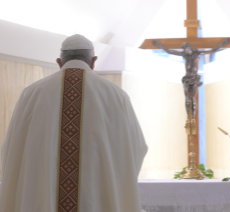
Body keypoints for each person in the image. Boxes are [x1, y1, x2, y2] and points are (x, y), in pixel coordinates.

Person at [0, 34, 148, 212]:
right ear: (93, 61)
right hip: (97, 200)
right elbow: (137, 148)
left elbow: (11, 148)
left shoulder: (32, 93)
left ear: (59, 61)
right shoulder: (116, 94)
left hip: (42, 199)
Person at [153, 39, 230, 120]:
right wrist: (159, 45)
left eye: (187, 49)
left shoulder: (198, 53)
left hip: (194, 78)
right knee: (187, 97)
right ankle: (188, 117)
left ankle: (192, 117)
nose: (186, 51)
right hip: (187, 78)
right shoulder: (184, 55)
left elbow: (212, 51)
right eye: (185, 50)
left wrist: (223, 44)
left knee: (192, 97)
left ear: (191, 48)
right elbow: (170, 52)